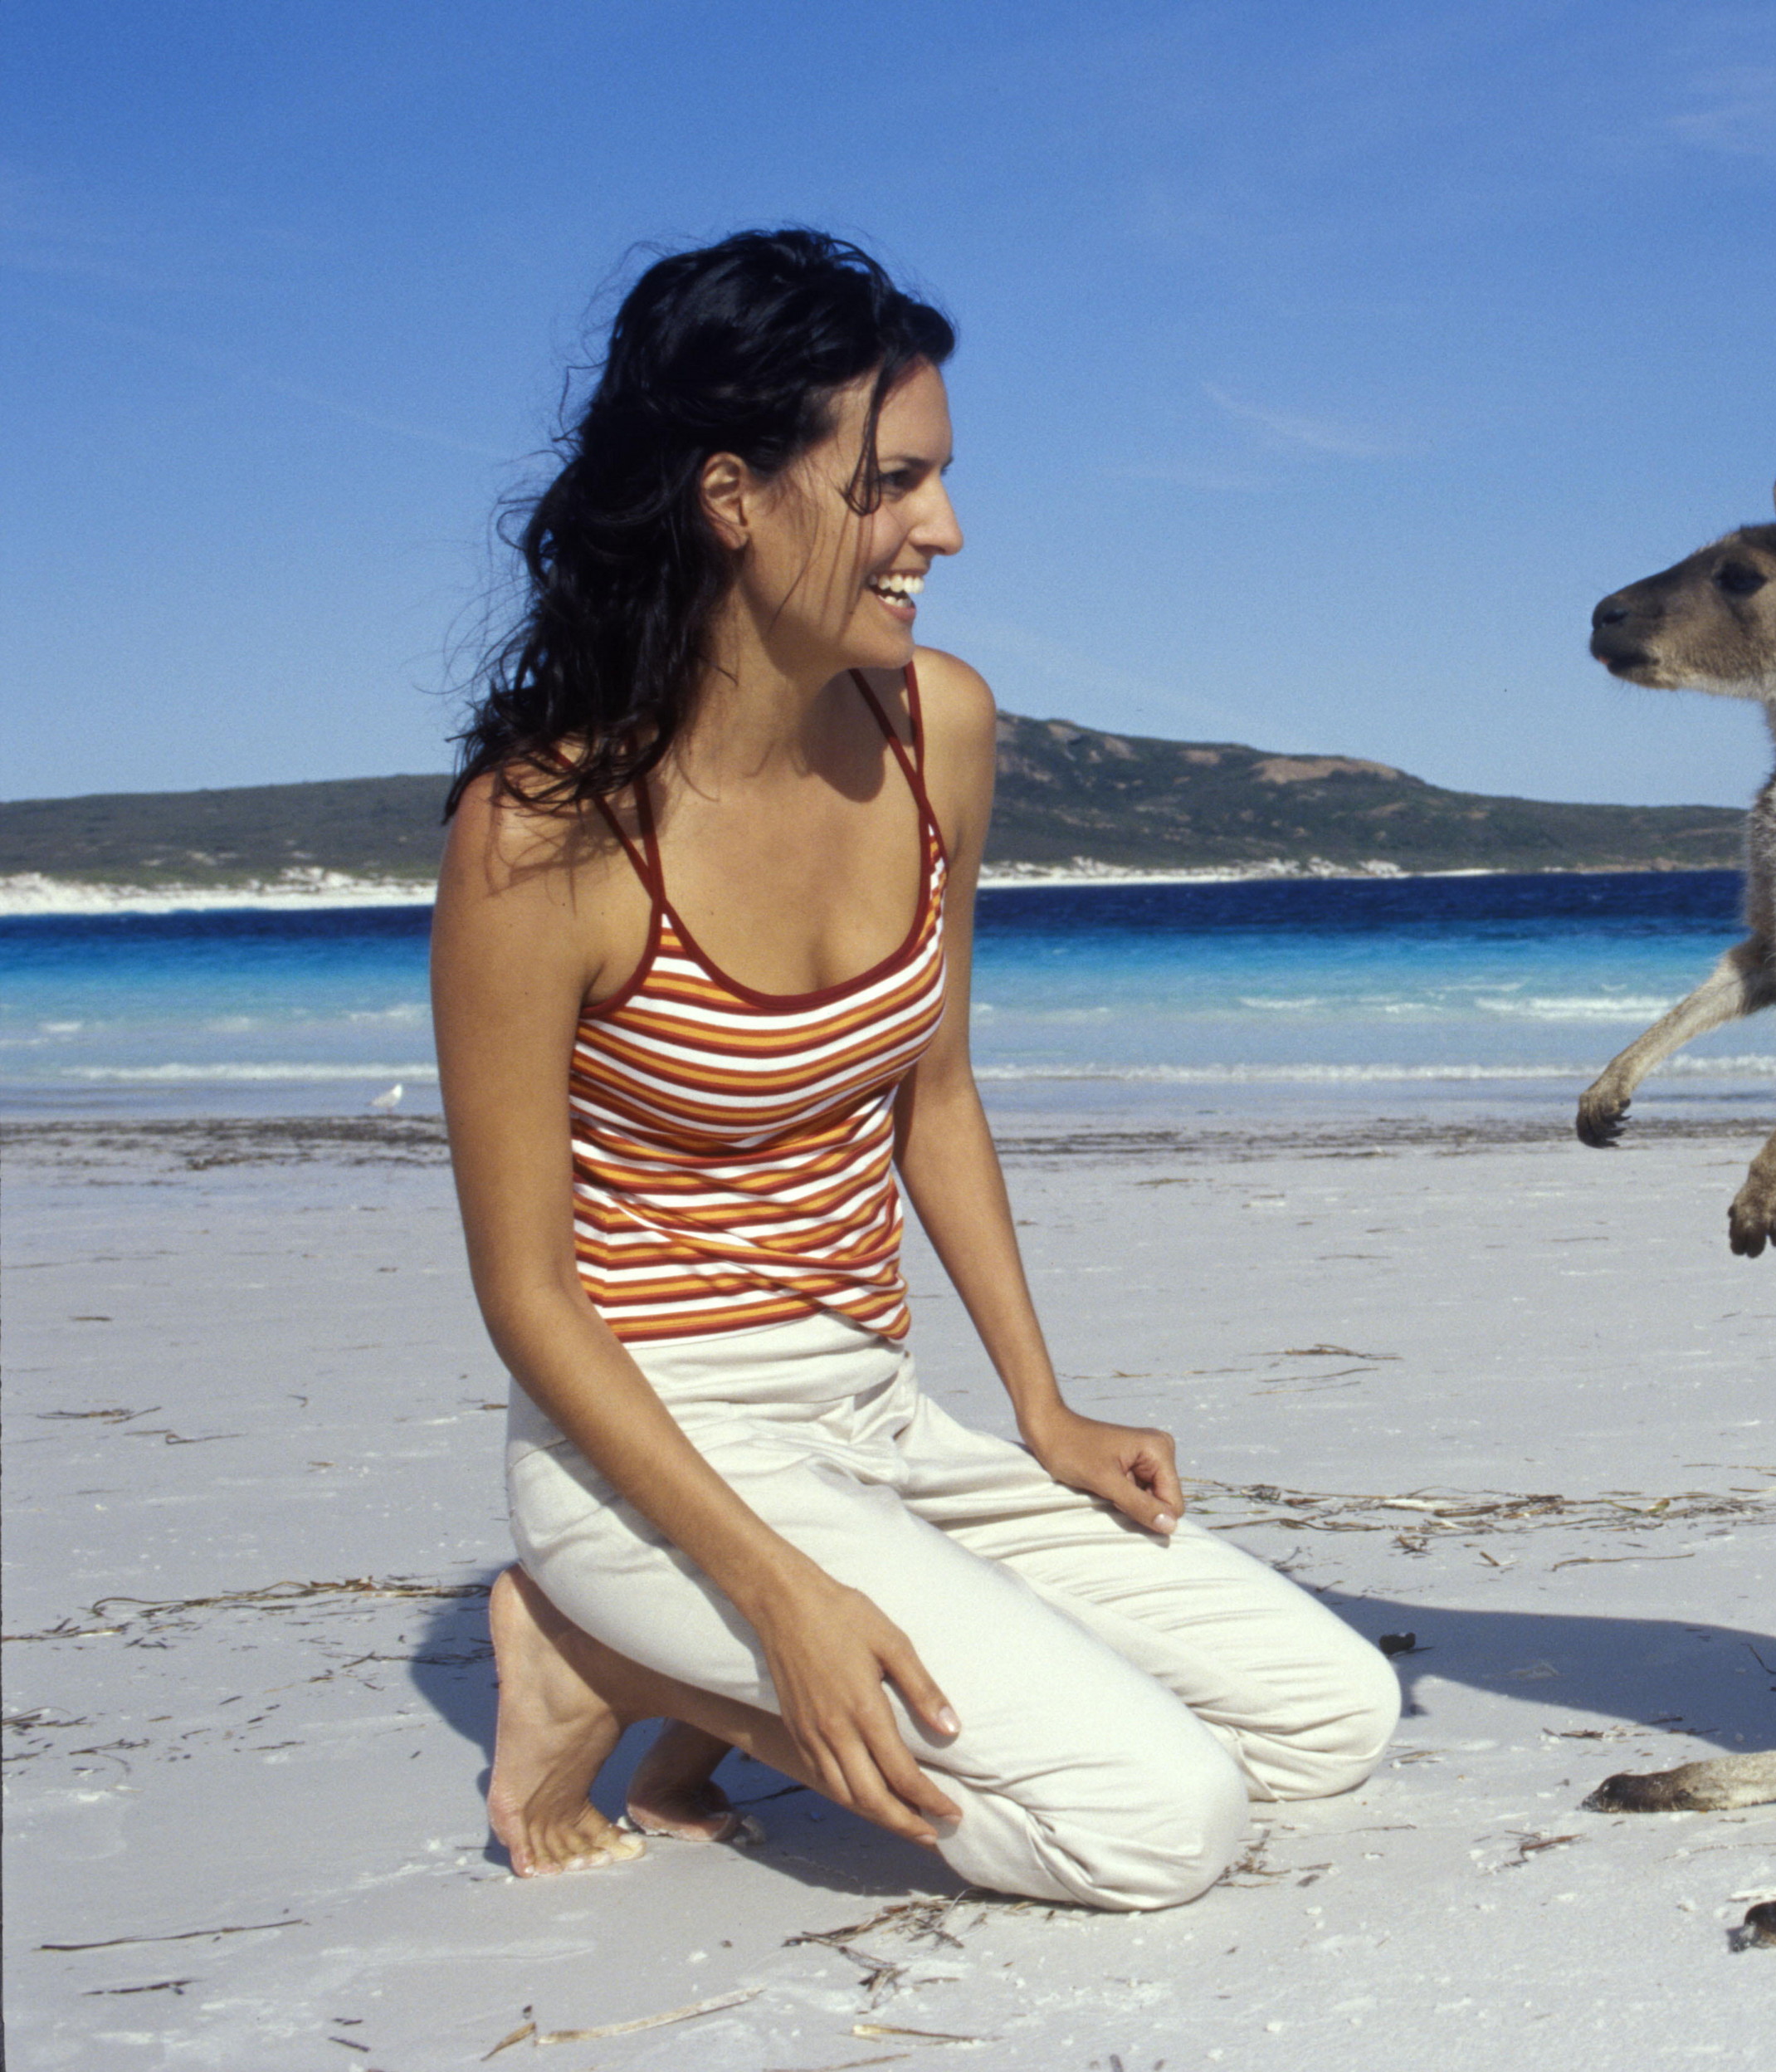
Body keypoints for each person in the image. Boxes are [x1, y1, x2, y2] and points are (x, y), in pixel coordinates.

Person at [433, 228, 1397, 1909]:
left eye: (939, 481)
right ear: (732, 497)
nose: (940, 531)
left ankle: (717, 1682)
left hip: (874, 1409)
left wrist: (1041, 1406)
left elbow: (932, 1090)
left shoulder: (932, 725)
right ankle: (607, 1648)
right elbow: (526, 1295)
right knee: (1161, 1821)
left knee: (1335, 1720)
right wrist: (777, 1597)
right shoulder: (544, 834)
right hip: (648, 1455)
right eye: (890, 486)